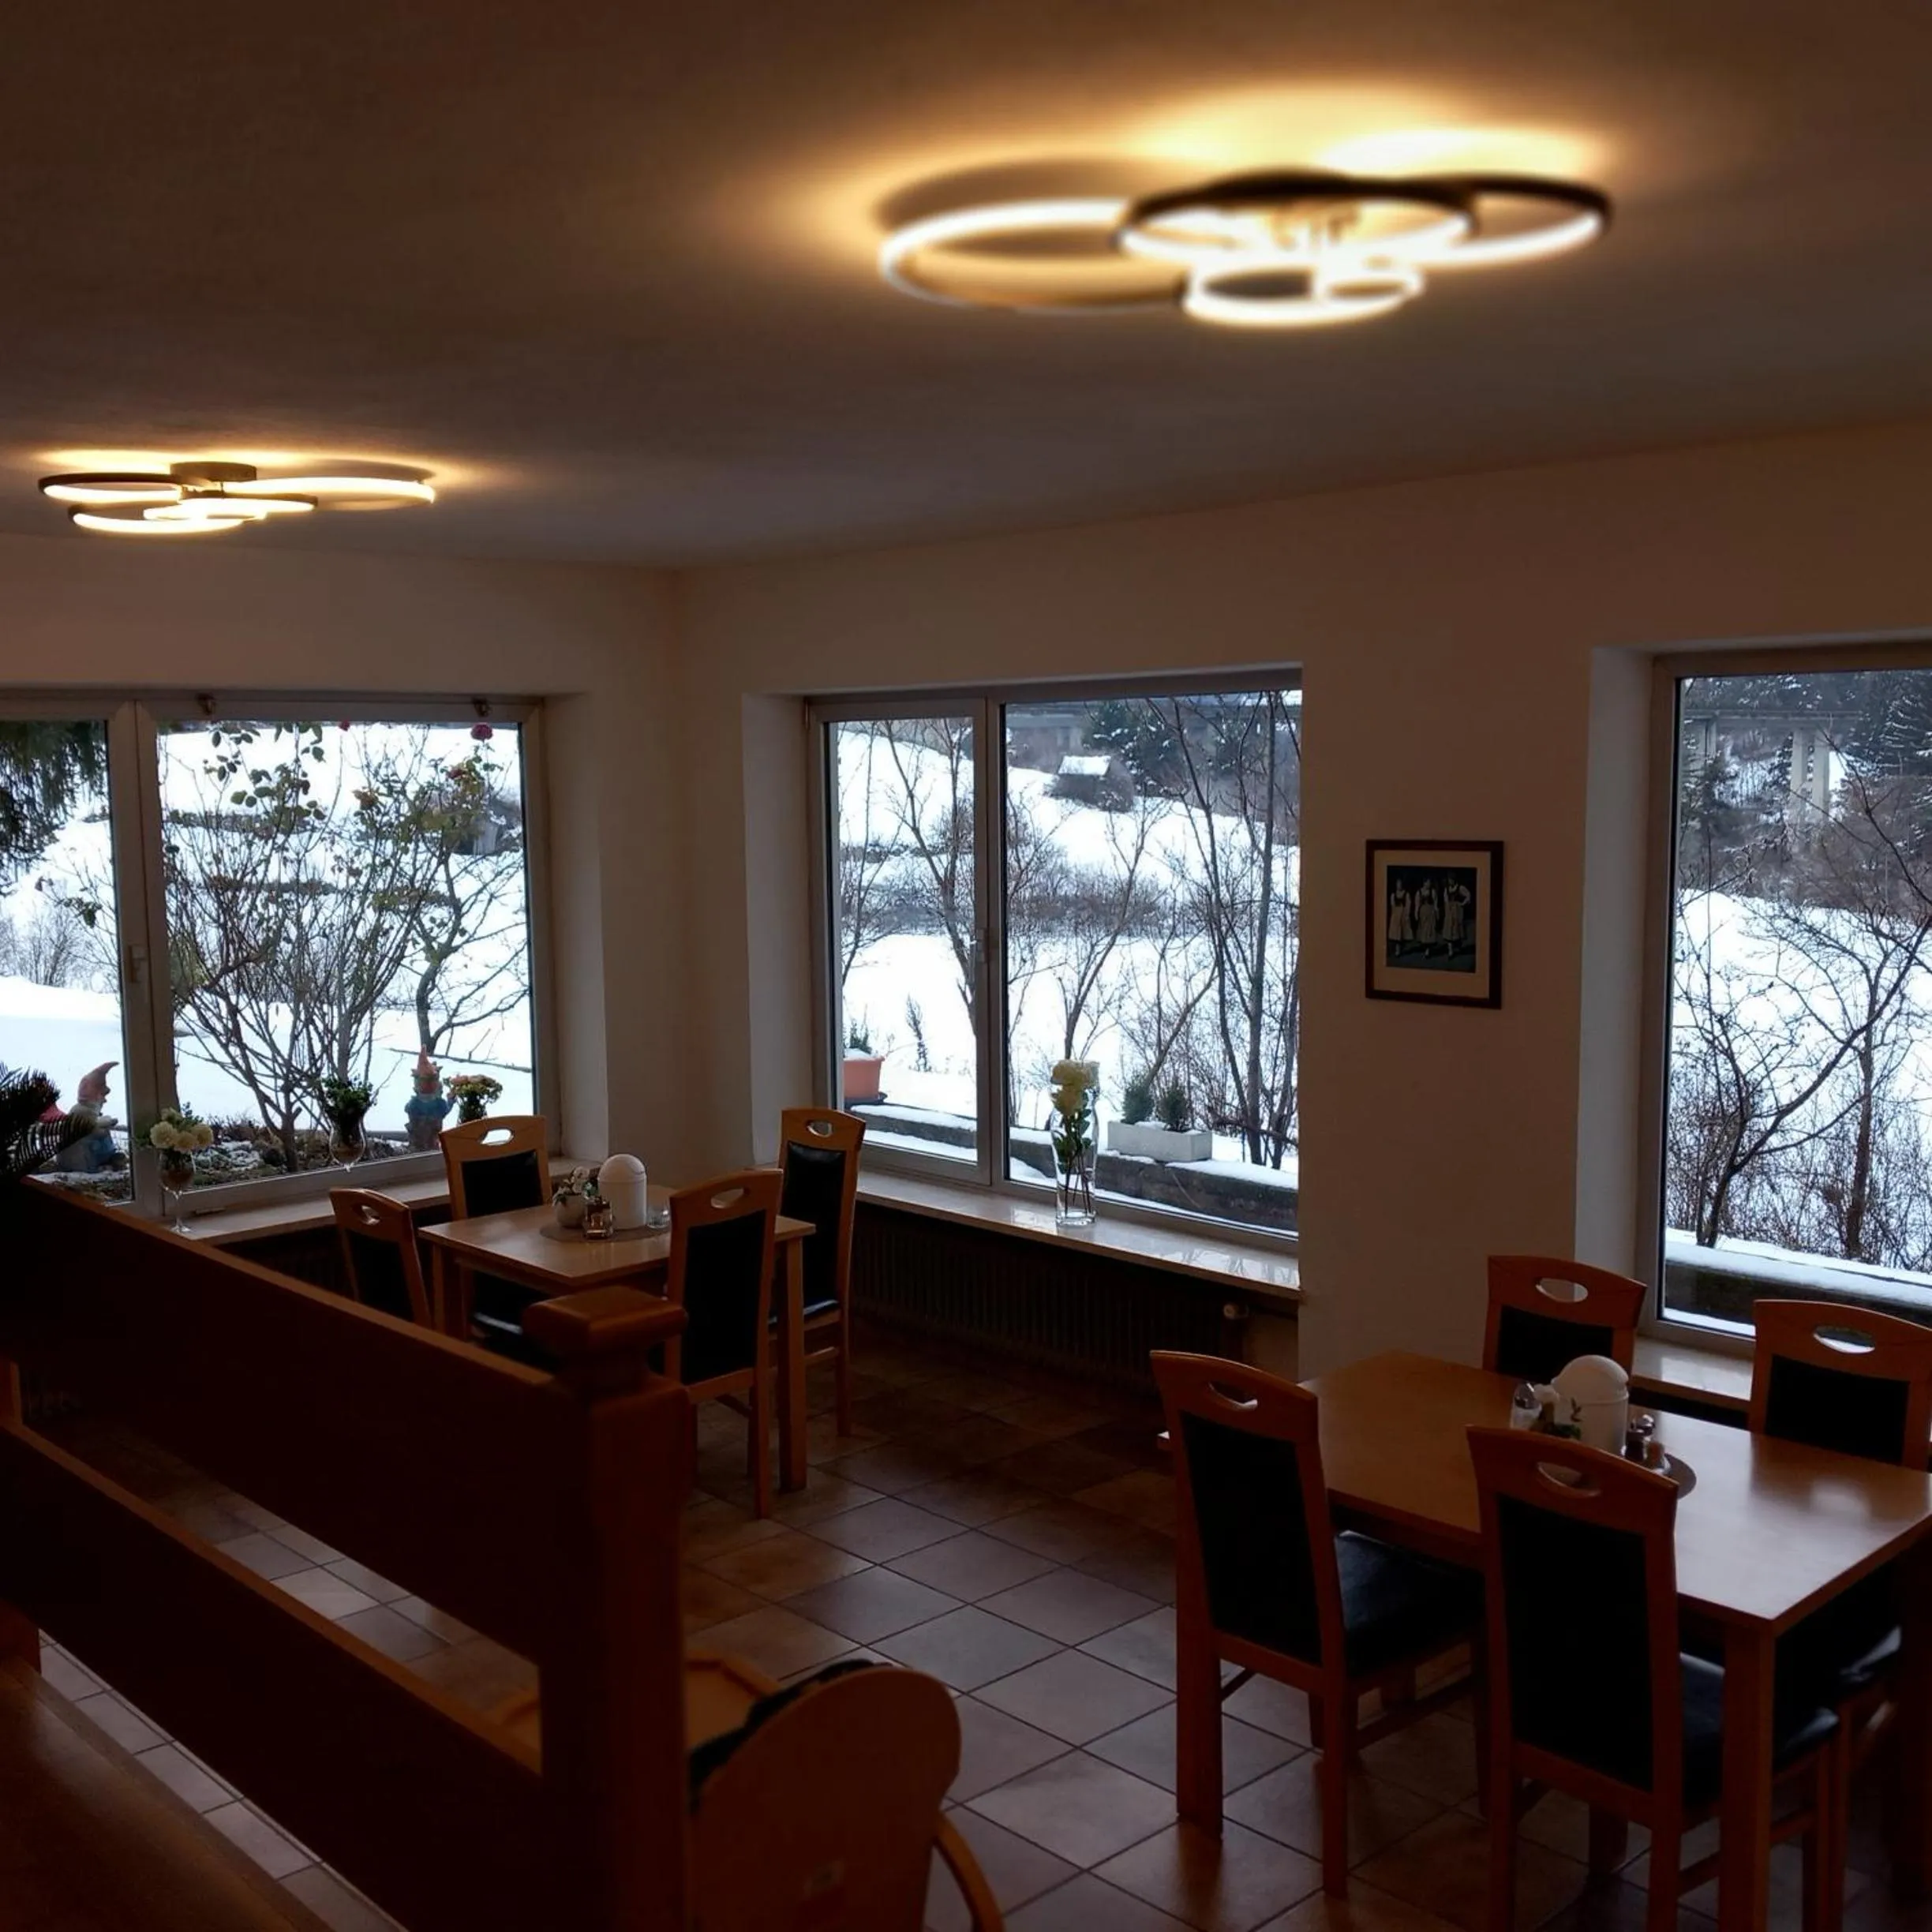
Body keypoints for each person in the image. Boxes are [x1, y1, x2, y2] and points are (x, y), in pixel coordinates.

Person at [1387, 881, 1413, 956]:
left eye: (1400, 884)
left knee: (1402, 932)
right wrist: (1393, 916)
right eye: (1398, 884)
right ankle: (1397, 950)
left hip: (1403, 914)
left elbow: (1408, 905)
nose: (1399, 886)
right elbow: (1393, 906)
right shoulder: (1393, 895)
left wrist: (1407, 915)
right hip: (1396, 915)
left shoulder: (1406, 894)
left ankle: (1401, 947)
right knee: (1396, 933)